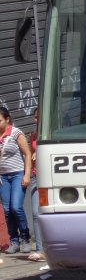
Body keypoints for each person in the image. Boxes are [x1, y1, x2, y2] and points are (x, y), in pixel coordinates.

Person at [0, 107, 32, 254]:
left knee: (16, 207)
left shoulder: (16, 133)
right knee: (7, 210)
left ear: (7, 120)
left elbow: (27, 153)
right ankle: (14, 241)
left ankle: (25, 238)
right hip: (3, 178)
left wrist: (27, 175)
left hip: (17, 174)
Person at [27, 108, 45, 262]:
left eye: (38, 117)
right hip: (35, 176)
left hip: (47, 176)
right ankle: (40, 250)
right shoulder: (32, 135)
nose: (36, 120)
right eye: (34, 117)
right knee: (35, 212)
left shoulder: (51, 132)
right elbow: (28, 154)